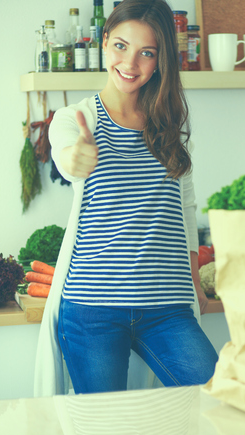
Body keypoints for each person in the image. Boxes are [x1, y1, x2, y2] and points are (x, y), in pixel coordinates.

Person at [34, 0, 218, 397]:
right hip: (92, 310)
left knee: (219, 404)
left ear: (160, 60)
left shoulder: (168, 125)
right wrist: (76, 158)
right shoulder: (76, 118)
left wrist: (195, 285)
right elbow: (68, 156)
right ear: (103, 43)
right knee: (108, 431)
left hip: (168, 309)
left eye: (146, 53)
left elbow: (184, 210)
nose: (130, 63)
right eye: (120, 46)